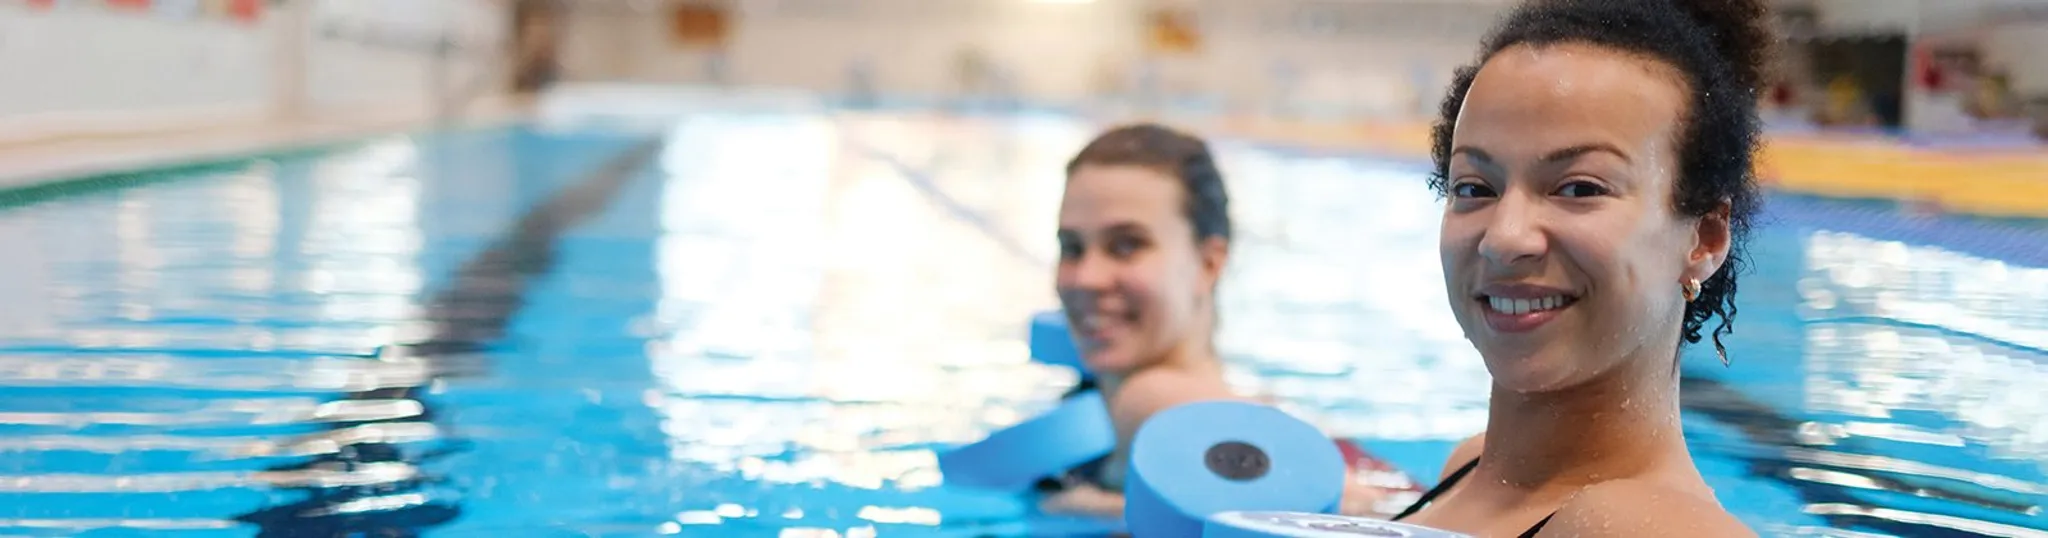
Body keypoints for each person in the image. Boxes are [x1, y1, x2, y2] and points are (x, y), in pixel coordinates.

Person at [1387, 0, 1771, 536]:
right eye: (1474, 187)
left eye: (1580, 188)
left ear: (1704, 236)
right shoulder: (1471, 468)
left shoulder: (1640, 526)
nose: (1505, 239)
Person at [1038, 124, 1421, 519]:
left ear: (1208, 262)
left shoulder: (1152, 398)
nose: (1086, 277)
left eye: (1126, 245)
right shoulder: (1247, 408)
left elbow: (1372, 511)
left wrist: (1100, 511)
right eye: (1072, 248)